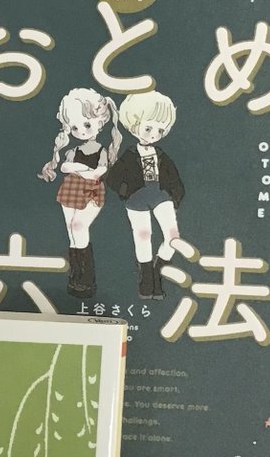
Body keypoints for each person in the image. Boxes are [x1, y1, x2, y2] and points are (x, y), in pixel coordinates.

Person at [38, 88, 122, 299]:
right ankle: (75, 278)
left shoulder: (102, 150)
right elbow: (65, 167)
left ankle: (87, 279)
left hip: (91, 191)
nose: (81, 131)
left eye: (87, 125)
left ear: (100, 122)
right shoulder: (72, 151)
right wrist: (84, 170)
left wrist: (80, 170)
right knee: (71, 233)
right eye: (75, 127)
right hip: (71, 189)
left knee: (78, 226)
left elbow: (99, 172)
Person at [104, 90, 185, 301]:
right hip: (137, 199)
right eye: (148, 128)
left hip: (160, 195)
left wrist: (175, 196)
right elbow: (112, 178)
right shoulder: (129, 155)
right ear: (134, 125)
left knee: (173, 237)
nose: (153, 134)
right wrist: (126, 191)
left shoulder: (161, 154)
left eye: (160, 130)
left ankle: (158, 273)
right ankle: (147, 283)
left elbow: (174, 177)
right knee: (142, 237)